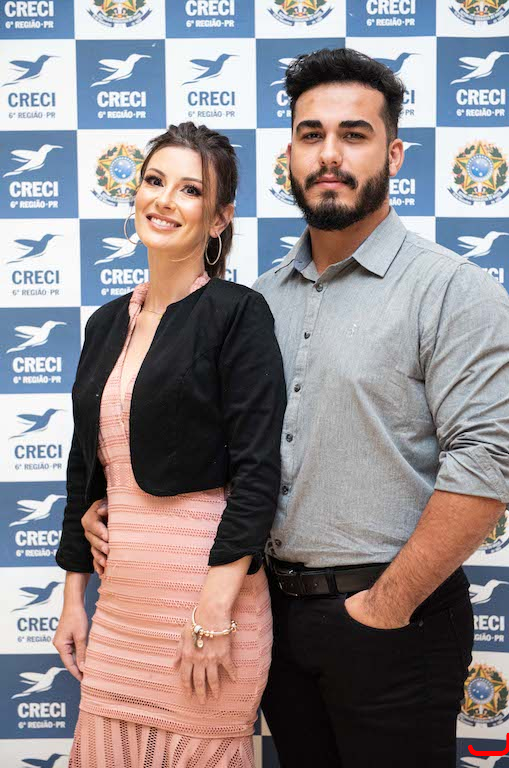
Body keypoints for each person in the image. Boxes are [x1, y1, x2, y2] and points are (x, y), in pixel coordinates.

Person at [81, 50, 509, 767]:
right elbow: (215, 449)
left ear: (393, 154)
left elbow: (489, 463)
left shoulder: (452, 290)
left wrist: (383, 608)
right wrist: (115, 502)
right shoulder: (254, 303)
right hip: (272, 618)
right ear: (290, 154)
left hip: (392, 619)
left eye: (354, 134)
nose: (329, 154)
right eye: (311, 135)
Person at [53, 121, 286, 768]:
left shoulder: (238, 313)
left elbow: (258, 472)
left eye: (190, 190)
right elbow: (85, 469)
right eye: (154, 180)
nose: (164, 200)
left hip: (206, 606)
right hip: (121, 612)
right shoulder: (105, 323)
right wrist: (73, 598)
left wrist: (213, 613)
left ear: (219, 219)